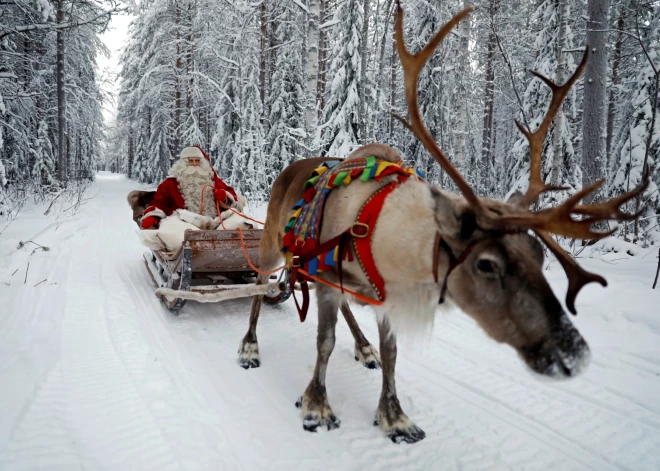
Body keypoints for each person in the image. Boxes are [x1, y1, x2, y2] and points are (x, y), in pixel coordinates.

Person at [141, 146, 239, 229]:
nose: (194, 164)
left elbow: (232, 198)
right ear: (183, 163)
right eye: (190, 161)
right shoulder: (170, 183)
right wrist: (153, 216)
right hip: (182, 224)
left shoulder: (212, 180)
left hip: (214, 224)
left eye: (197, 161)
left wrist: (224, 197)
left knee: (238, 223)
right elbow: (160, 203)